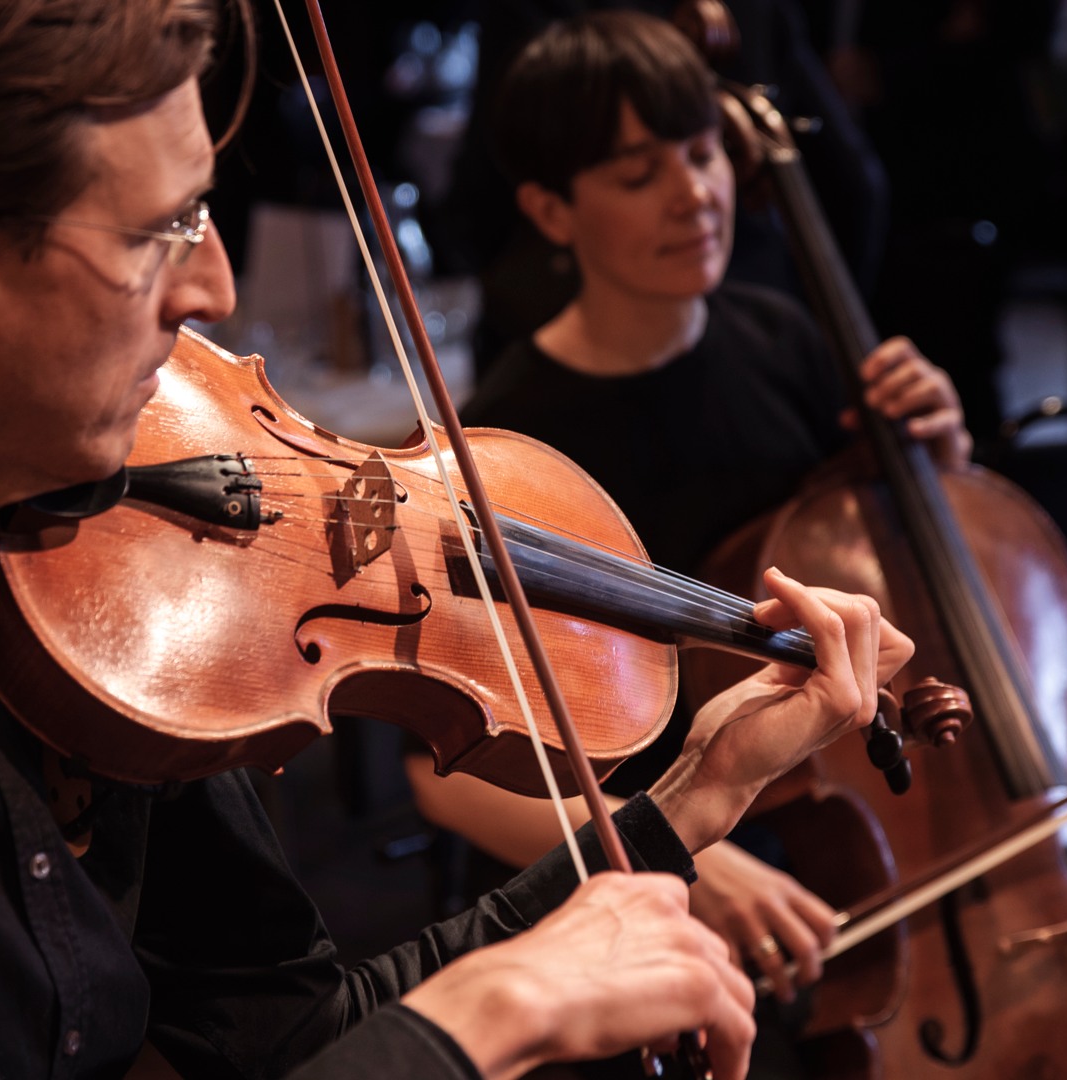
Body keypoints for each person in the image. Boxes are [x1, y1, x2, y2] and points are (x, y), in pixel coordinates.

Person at [0, 2, 921, 1078]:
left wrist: (684, 807)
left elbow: (293, 1038)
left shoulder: (85, 574)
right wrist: (495, 1015)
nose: (217, 287)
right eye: (161, 232)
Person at [404, 10, 971, 1006]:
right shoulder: (512, 446)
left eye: (704, 153)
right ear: (549, 212)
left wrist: (939, 459)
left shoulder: (783, 334)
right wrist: (682, 847)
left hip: (846, 802)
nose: (696, 196)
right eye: (637, 175)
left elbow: (877, 556)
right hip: (655, 860)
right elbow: (442, 776)